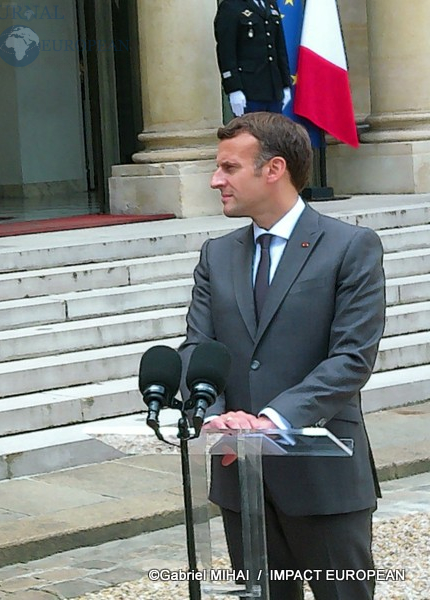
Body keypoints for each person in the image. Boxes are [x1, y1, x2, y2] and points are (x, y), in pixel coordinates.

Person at [179, 112, 385, 600]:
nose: (216, 180)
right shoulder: (217, 254)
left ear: (273, 169)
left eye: (229, 168)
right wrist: (213, 414)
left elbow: (352, 358)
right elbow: (195, 349)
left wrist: (271, 420)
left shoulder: (350, 247)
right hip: (239, 480)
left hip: (324, 480)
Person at [214, 0, 291, 118]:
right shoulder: (231, 6)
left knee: (273, 134)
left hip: (273, 89)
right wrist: (233, 88)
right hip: (248, 89)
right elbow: (226, 51)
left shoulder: (270, 4)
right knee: (251, 133)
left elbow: (279, 48)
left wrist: (285, 84)